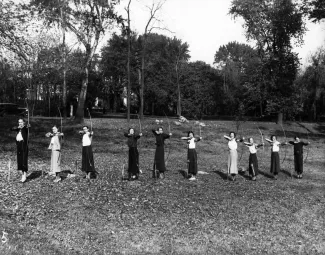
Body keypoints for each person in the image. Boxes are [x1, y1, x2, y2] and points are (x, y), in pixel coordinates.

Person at [10, 118, 30, 183]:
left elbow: (28, 128)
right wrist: (17, 127)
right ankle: (22, 175)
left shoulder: (25, 129)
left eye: (21, 122)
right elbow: (11, 129)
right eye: (19, 122)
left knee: (24, 160)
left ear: (24, 122)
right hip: (19, 146)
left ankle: (24, 176)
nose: (20, 123)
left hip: (24, 146)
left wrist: (28, 126)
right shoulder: (19, 129)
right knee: (20, 160)